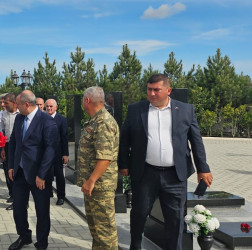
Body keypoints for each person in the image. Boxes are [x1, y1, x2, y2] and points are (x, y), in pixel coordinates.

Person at [119, 74, 213, 250]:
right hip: (145, 173)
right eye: (149, 89)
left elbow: (196, 140)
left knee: (175, 221)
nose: (152, 93)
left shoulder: (185, 110)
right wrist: (123, 164)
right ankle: (136, 246)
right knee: (138, 215)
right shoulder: (136, 110)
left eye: (157, 90)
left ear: (168, 90)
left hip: (175, 176)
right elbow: (125, 139)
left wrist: (203, 169)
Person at [7, 90, 58, 250]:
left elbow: (50, 150)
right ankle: (24, 236)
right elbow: (14, 143)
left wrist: (41, 175)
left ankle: (42, 243)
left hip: (39, 176)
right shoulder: (19, 118)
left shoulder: (46, 121)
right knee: (18, 209)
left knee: (42, 212)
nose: (15, 106)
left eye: (18, 104)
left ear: (26, 104)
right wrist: (11, 166)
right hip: (20, 173)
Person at [76, 87, 120, 249]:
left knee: (105, 233)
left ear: (87, 100)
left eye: (82, 99)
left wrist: (91, 181)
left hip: (100, 187)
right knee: (96, 232)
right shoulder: (95, 120)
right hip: (94, 187)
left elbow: (104, 157)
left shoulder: (104, 122)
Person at [44, 99, 69, 206]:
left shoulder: (61, 119)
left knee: (59, 176)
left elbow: (64, 137)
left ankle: (61, 196)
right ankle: (48, 192)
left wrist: (65, 154)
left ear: (56, 107)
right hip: (45, 153)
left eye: (51, 106)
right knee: (46, 174)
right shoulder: (42, 118)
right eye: (47, 106)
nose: (49, 108)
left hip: (57, 153)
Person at [0, 93, 19, 210]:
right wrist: (2, 148)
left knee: (17, 173)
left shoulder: (20, 115)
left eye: (6, 103)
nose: (4, 105)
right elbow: (2, 132)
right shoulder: (3, 115)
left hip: (18, 146)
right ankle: (12, 194)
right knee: (8, 171)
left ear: (13, 103)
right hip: (7, 146)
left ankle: (20, 200)